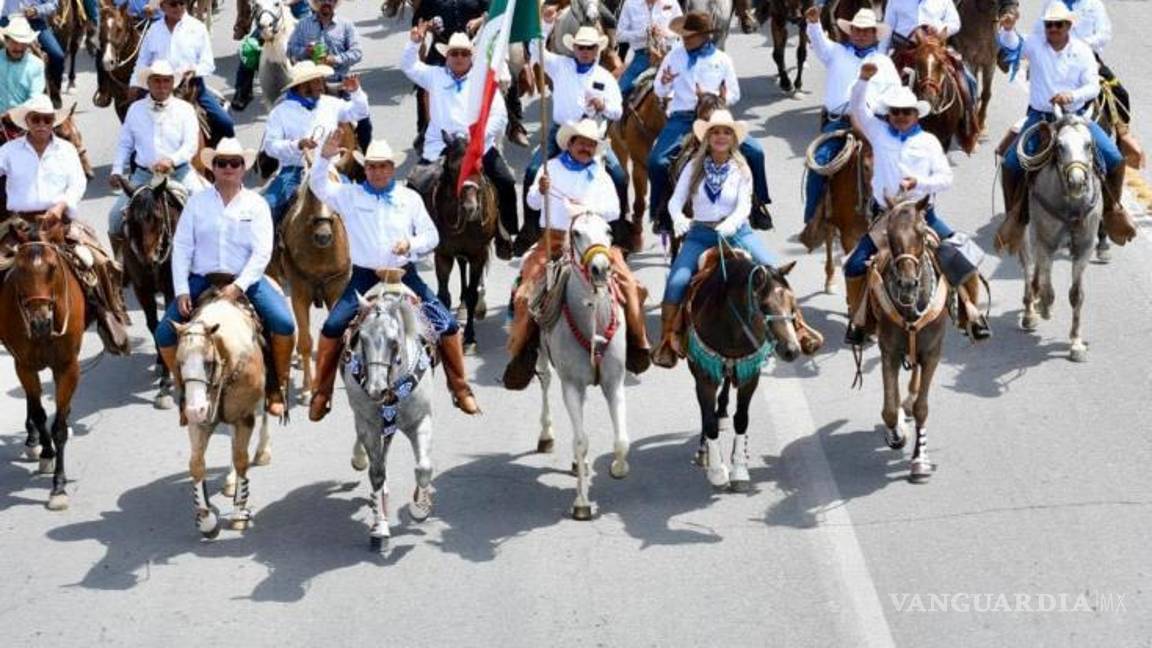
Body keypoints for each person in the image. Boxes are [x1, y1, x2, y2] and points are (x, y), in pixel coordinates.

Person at [306, 134, 481, 420]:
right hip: (365, 277)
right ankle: (322, 392)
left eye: (383, 166)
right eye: (372, 166)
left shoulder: (408, 198)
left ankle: (460, 388)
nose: (377, 171)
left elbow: (432, 235)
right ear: (365, 169)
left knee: (447, 324)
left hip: (404, 274)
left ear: (392, 168)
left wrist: (410, 245)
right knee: (333, 325)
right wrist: (323, 158)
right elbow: (318, 185)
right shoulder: (349, 195)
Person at [842, 65, 990, 344]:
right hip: (887, 217)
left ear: (915, 115)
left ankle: (971, 317)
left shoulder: (929, 142)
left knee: (966, 258)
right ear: (889, 115)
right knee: (853, 266)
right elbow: (858, 109)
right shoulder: (878, 132)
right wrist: (862, 80)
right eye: (895, 112)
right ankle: (858, 320)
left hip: (923, 216)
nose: (900, 117)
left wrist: (919, 183)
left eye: (906, 112)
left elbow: (946, 178)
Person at [155, 138, 297, 420]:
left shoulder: (256, 204)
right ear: (213, 168)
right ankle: (185, 391)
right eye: (222, 163)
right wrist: (182, 290)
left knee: (283, 323)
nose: (228, 168)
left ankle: (276, 386)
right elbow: (182, 247)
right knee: (164, 334)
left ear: (243, 168)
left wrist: (238, 286)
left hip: (245, 280)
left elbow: (262, 252)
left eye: (235, 163)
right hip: (202, 279)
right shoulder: (197, 203)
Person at [504, 118, 651, 389]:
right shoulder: (551, 168)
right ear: (569, 144)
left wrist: (586, 209)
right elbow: (532, 202)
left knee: (631, 285)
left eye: (590, 144)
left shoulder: (601, 174)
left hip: (594, 241)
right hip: (556, 239)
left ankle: (637, 343)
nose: (586, 147)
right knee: (524, 294)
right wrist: (541, 189)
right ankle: (520, 354)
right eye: (581, 142)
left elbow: (614, 212)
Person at [996, 4, 1135, 251]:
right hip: (1041, 119)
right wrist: (1008, 29)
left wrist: (1071, 95)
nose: (1053, 29)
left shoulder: (1082, 50)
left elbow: (1092, 86)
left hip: (1076, 118)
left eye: (1058, 25)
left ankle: (1112, 211)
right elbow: (1014, 45)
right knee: (1009, 164)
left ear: (1068, 26)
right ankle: (1014, 217)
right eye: (1049, 25)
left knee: (1115, 159)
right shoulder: (1036, 44)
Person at [0, 95, 131, 355]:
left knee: (98, 260)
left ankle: (109, 315)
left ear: (53, 122)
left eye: (46, 120)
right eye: (35, 119)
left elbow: (78, 182)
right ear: (26, 122)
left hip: (59, 224)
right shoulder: (8, 151)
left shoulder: (66, 149)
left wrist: (60, 207)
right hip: (19, 226)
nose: (41, 124)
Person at [651, 111, 781, 367]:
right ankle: (667, 339)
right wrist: (678, 217)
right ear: (707, 137)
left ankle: (790, 329)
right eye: (715, 132)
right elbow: (676, 199)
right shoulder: (693, 166)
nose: (721, 137)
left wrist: (730, 225)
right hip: (700, 234)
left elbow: (744, 206)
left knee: (772, 272)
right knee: (676, 282)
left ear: (733, 138)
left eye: (726, 132)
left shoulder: (741, 168)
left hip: (736, 232)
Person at [649, 12, 772, 234]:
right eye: (683, 36)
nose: (685, 40)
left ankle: (758, 205)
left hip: (716, 115)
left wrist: (718, 98)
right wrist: (665, 82)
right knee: (657, 162)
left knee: (756, 152)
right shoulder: (673, 56)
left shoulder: (721, 60)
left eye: (690, 36)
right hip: (683, 117)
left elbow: (734, 93)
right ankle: (661, 214)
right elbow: (659, 89)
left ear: (705, 36)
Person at [400, 28, 518, 258]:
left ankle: (505, 233)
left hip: (475, 145)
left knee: (505, 180)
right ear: (447, 56)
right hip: (441, 145)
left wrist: (478, 138)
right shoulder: (434, 75)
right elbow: (409, 66)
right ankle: (412, 238)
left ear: (470, 56)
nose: (459, 58)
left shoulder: (484, 80)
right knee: (414, 185)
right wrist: (414, 44)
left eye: (464, 54)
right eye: (454, 54)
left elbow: (499, 115)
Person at [518, 24, 629, 254]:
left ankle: (617, 232)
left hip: (591, 134)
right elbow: (536, 50)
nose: (585, 52)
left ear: (597, 50)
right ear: (574, 48)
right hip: (562, 130)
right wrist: (546, 25)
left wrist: (603, 106)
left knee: (618, 176)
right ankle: (530, 228)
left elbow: (618, 111)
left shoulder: (605, 77)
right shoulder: (561, 66)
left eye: (590, 48)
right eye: (581, 47)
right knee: (532, 172)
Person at [802, 6, 899, 227]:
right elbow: (818, 42)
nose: (861, 34)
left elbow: (894, 94)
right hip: (838, 123)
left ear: (875, 34)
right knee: (819, 163)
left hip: (872, 124)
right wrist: (814, 23)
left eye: (867, 31)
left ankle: (896, 213)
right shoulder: (835, 52)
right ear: (850, 31)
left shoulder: (884, 63)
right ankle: (812, 222)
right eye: (857, 30)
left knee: (895, 163)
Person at [107, 60, 200, 263]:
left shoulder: (185, 109)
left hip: (179, 173)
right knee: (115, 218)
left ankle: (204, 264)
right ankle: (121, 265)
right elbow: (125, 144)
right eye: (156, 81)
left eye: (166, 81)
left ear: (172, 83)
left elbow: (191, 146)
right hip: (144, 175)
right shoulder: (135, 110)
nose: (161, 86)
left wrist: (172, 160)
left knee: (207, 213)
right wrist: (116, 169)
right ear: (148, 83)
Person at [261, 61, 368, 227]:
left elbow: (360, 112)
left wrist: (356, 92)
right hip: (295, 171)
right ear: (303, 85)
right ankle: (271, 250)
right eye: (317, 81)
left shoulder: (330, 103)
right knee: (268, 207)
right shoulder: (281, 112)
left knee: (358, 208)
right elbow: (270, 146)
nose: (322, 85)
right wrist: (297, 145)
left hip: (330, 169)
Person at [131, 0, 235, 146]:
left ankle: (218, 162)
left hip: (192, 88)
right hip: (159, 89)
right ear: (163, 7)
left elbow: (208, 64)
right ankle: (137, 166)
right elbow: (142, 62)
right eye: (173, 4)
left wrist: (194, 70)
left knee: (225, 123)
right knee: (134, 129)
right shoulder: (153, 31)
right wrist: (134, 84)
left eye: (182, 3)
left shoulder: (197, 28)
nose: (179, 7)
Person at [881, 0, 979, 152]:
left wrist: (940, 29)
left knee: (968, 79)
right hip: (906, 50)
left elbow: (955, 22)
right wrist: (881, 59)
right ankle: (879, 126)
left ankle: (968, 126)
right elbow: (887, 30)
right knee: (884, 85)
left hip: (935, 49)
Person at [287, 0, 371, 151]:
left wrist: (335, 59)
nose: (326, 2)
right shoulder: (303, 24)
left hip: (338, 82)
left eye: (331, 0)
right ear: (316, 3)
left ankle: (366, 159)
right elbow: (291, 49)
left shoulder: (346, 25)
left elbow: (357, 53)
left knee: (364, 121)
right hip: (309, 83)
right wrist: (306, 52)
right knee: (285, 111)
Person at [231, 0, 314, 111]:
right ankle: (243, 91)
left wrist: (287, 2)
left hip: (299, 10)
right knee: (249, 49)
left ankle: (317, 87)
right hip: (272, 12)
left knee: (311, 45)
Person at [0, 0, 64, 108]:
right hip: (7, 21)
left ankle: (54, 91)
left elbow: (53, 4)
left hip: (34, 22)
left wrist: (36, 10)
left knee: (57, 55)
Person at [615, 0, 681, 97]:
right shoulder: (630, 3)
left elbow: (682, 29)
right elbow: (619, 35)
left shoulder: (671, 2)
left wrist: (666, 33)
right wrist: (643, 34)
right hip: (642, 55)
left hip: (669, 55)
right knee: (620, 91)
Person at [0, 17, 45, 115]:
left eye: (23, 43)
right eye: (15, 42)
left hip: (24, 119)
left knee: (57, 55)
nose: (19, 48)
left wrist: (15, 114)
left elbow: (35, 98)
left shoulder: (36, 65)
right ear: (7, 41)